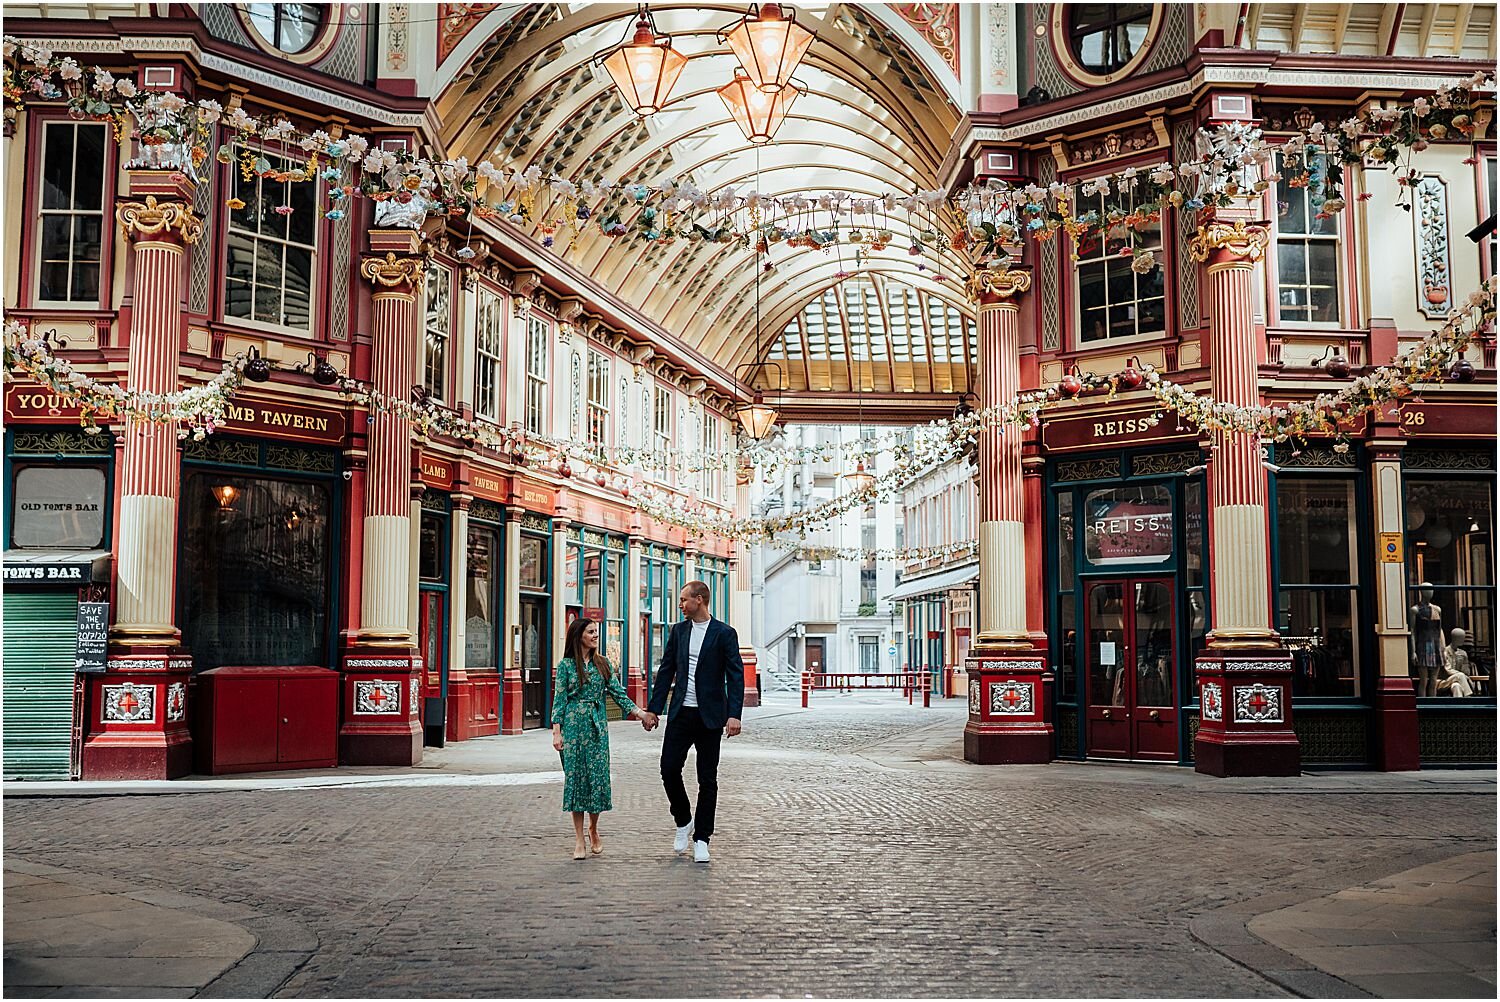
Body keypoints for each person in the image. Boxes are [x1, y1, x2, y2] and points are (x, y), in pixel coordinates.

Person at [647, 580, 744, 865]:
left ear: (699, 600)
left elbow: (735, 675)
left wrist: (734, 714)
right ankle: (683, 819)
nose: (680, 605)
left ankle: (702, 839)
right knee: (668, 769)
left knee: (707, 779)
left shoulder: (724, 633)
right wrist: (654, 710)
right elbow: (666, 671)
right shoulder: (678, 632)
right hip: (681, 714)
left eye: (683, 599)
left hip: (710, 717)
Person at [551, 616, 655, 860]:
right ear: (579, 637)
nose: (596, 636)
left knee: (597, 781)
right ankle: (578, 839)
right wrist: (557, 732)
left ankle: (593, 829)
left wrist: (641, 714)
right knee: (576, 782)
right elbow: (559, 700)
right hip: (573, 727)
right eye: (590, 632)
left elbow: (618, 694)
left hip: (597, 729)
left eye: (596, 632)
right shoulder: (566, 666)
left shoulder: (603, 664)